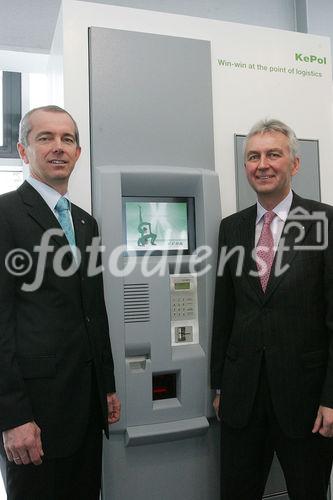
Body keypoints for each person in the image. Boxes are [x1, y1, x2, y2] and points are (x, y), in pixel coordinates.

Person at [0, 105, 121, 499]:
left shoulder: (86, 223)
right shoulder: (5, 216)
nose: (58, 147)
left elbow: (92, 310)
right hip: (35, 416)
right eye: (45, 138)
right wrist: (14, 417)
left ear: (78, 152)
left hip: (86, 409)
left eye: (67, 139)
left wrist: (107, 386)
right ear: (23, 150)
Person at [210, 119, 333, 499]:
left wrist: (332, 398)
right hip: (242, 399)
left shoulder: (325, 221)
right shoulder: (232, 228)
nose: (262, 164)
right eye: (253, 156)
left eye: (273, 154)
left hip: (307, 401)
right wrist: (219, 385)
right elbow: (224, 313)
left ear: (294, 164)